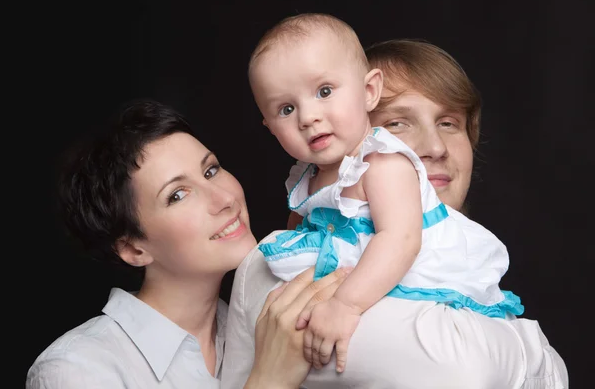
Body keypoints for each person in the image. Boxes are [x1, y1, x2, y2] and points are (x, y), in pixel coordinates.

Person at [221, 31, 568, 389]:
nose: (433, 147)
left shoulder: (385, 166)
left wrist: (345, 305)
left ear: (365, 94)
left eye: (448, 123)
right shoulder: (277, 253)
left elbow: (401, 240)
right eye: (397, 123)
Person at [25, 99, 350, 389]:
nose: (224, 199)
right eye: (177, 195)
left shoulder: (270, 318)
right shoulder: (76, 370)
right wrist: (269, 381)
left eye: (210, 171)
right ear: (134, 249)